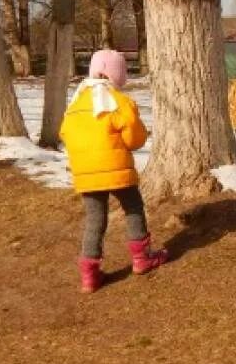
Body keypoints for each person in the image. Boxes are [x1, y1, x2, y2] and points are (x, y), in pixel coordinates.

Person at [60, 49, 168, 293]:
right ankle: (142, 259)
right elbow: (134, 138)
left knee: (95, 219)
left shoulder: (76, 103)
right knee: (132, 207)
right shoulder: (117, 101)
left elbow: (64, 133)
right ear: (116, 74)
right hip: (116, 168)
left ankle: (89, 275)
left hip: (86, 173)